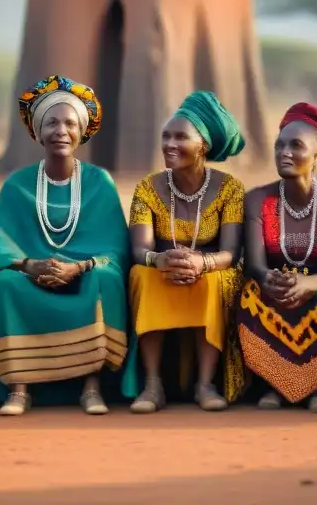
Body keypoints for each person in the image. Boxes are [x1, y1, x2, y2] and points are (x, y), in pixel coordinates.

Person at [0, 75, 136, 416]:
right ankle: (19, 389)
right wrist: (29, 265)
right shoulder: (17, 184)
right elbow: (0, 247)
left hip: (83, 273)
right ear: (37, 132)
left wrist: (78, 267)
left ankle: (90, 387)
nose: (61, 130)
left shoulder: (99, 182)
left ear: (82, 131)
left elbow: (115, 249)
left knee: (105, 280)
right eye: (51, 122)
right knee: (3, 282)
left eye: (69, 123)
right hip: (30, 275)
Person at [238, 103, 317, 412]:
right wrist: (271, 280)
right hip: (273, 281)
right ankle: (277, 385)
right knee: (251, 296)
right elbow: (254, 263)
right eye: (280, 144)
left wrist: (312, 282)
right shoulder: (257, 199)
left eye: (296, 145)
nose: (284, 152)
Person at [128, 91, 247, 413]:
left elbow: (232, 252)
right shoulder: (147, 188)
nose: (170, 144)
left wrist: (202, 263)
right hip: (160, 265)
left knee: (215, 281)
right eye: (166, 136)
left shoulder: (230, 188)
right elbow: (139, 249)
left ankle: (205, 384)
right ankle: (152, 385)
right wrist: (160, 260)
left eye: (181, 137)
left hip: (211, 266)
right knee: (144, 275)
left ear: (204, 146)